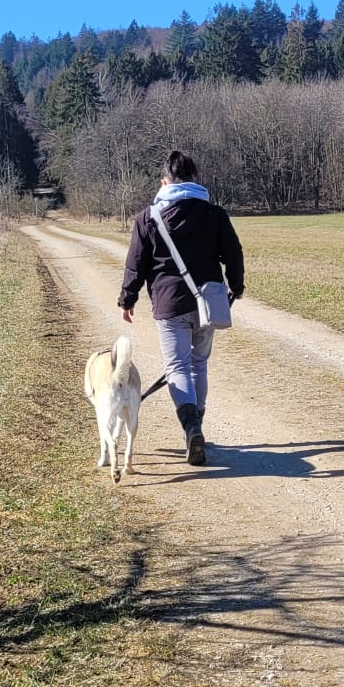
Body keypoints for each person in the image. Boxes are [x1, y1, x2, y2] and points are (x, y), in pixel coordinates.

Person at [118, 150, 244, 467]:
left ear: (165, 182)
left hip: (168, 303)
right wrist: (236, 286)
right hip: (208, 304)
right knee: (199, 365)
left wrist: (128, 298)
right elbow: (234, 253)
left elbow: (136, 264)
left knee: (178, 368)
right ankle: (196, 426)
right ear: (194, 180)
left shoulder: (148, 218)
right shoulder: (215, 214)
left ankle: (191, 428)